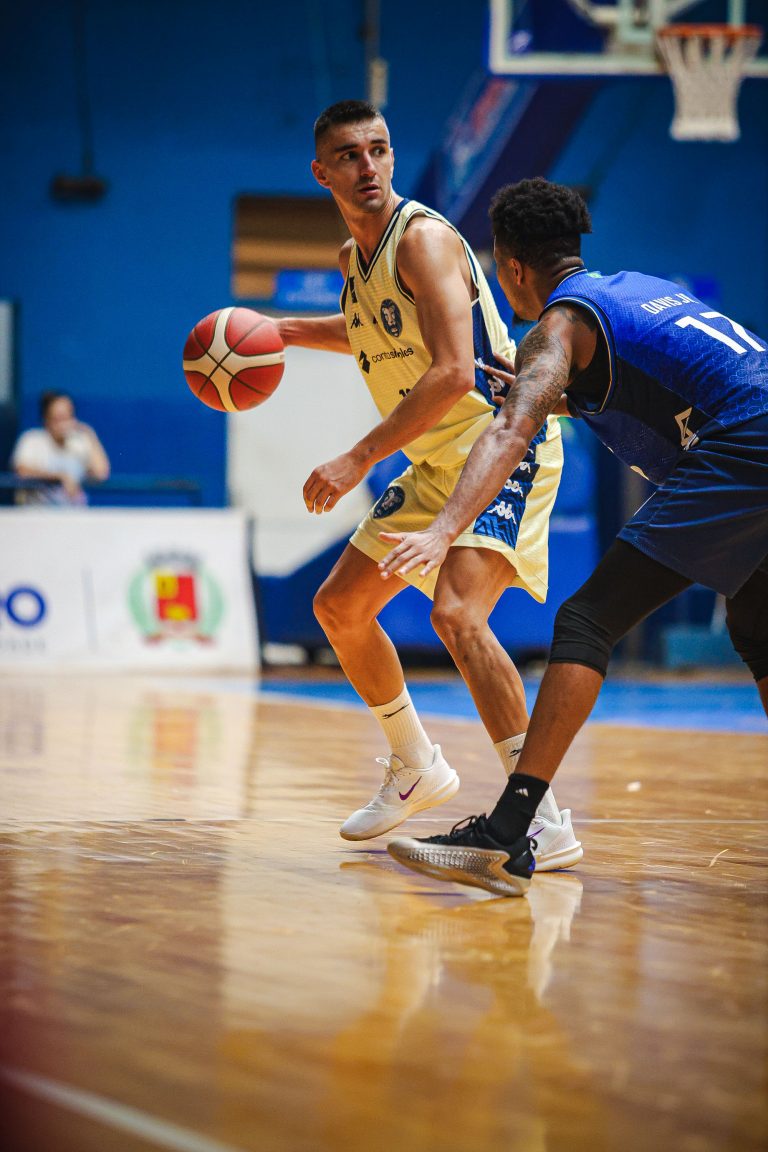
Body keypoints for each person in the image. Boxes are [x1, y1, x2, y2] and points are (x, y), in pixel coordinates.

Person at [380, 176, 768, 897]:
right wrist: (556, 396)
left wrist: (443, 528)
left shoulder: (557, 326)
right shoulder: (635, 290)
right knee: (757, 626)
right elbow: (666, 380)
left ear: (511, 268)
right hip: (756, 429)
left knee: (587, 621)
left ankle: (509, 834)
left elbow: (509, 430)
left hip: (747, 446)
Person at [276, 101, 582, 870]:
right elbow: (369, 329)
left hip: (503, 445)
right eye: (349, 155)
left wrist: (356, 458)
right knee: (339, 608)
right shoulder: (354, 260)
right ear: (322, 173)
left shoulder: (423, 240)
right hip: (439, 459)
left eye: (378, 149)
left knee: (456, 615)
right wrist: (282, 330)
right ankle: (416, 767)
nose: (368, 166)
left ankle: (541, 816)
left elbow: (451, 373)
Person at [11, 390, 110, 505]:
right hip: (38, 513)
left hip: (74, 513)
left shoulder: (79, 442)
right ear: (46, 418)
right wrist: (59, 477)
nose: (64, 422)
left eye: (68, 416)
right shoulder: (32, 439)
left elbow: (101, 474)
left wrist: (90, 434)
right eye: (58, 417)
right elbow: (22, 471)